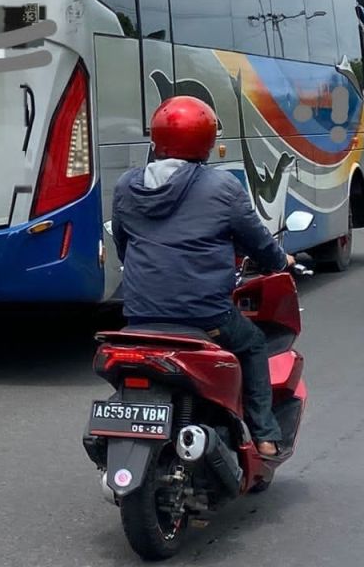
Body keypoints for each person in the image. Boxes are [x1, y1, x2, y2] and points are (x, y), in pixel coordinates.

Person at [111, 96, 295, 457]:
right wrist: (280, 261)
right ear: (208, 140)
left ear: (156, 138)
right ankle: (265, 436)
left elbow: (123, 244)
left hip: (140, 316)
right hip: (205, 317)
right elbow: (259, 243)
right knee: (254, 344)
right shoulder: (222, 188)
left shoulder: (126, 186)